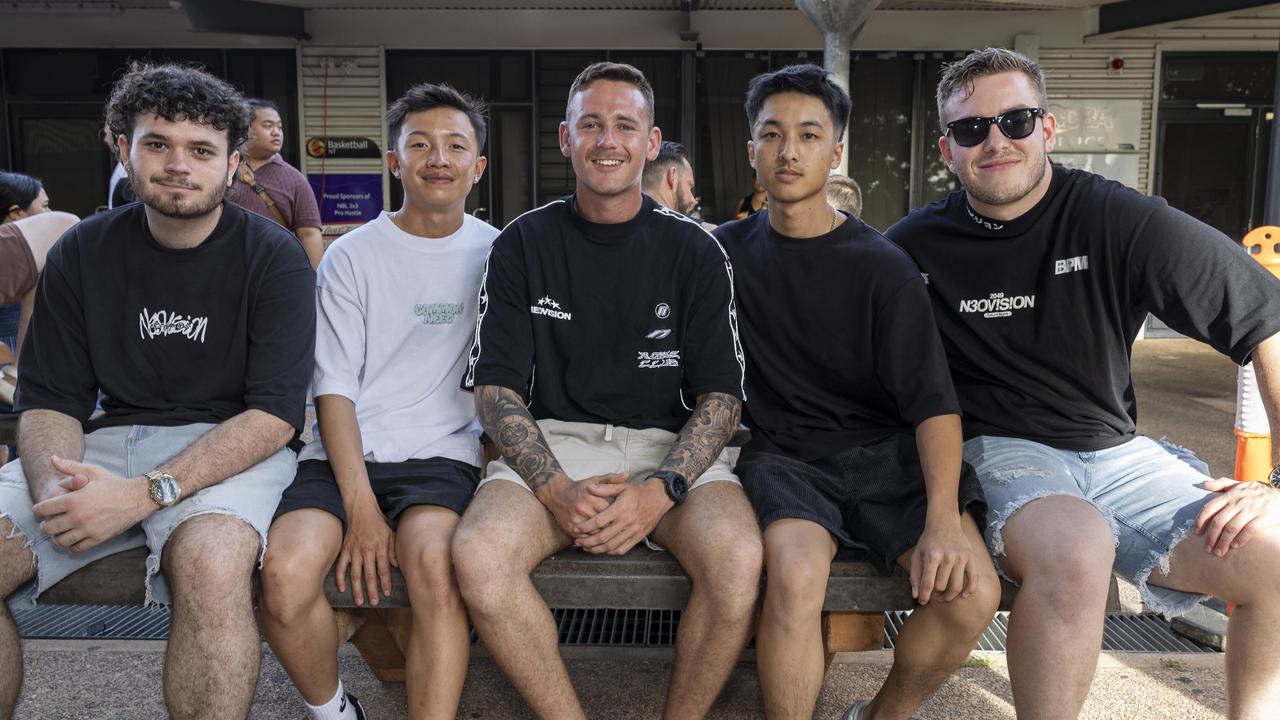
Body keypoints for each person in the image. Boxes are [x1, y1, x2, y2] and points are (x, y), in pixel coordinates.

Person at [887, 46, 1280, 718]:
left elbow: (1264, 319)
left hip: (1118, 454)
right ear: (948, 150)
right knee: (1076, 547)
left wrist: (1273, 484)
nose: (996, 141)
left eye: (1015, 120)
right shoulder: (910, 248)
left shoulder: (1118, 218)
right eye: (971, 129)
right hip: (1000, 450)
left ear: (1048, 128)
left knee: (1272, 556)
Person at [0, 62, 315, 720]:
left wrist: (144, 496)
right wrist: (59, 490)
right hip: (102, 444)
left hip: (229, 450)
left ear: (232, 165)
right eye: (157, 144)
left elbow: (274, 417)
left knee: (211, 567)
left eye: (201, 150)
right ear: (123, 148)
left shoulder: (273, 256)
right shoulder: (83, 251)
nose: (179, 165)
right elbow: (50, 401)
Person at [451, 61, 762, 720]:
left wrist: (662, 490)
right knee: (479, 557)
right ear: (566, 139)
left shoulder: (697, 252)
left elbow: (721, 399)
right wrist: (555, 489)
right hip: (556, 443)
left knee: (737, 560)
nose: (607, 140)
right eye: (590, 124)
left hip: (672, 451)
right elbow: (496, 389)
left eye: (625, 125)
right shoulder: (522, 243)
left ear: (652, 144)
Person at [716, 63, 999, 720]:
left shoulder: (882, 266)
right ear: (751, 148)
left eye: (809, 135)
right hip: (783, 456)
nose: (789, 151)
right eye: (772, 134)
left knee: (972, 591)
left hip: (883, 454)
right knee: (793, 575)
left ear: (835, 151)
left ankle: (881, 716)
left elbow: (932, 404)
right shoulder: (717, 255)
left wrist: (939, 522)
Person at [259, 82, 498, 720]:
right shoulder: (350, 256)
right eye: (419, 144)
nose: (437, 158)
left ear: (477, 167)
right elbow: (332, 387)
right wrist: (361, 507)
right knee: (282, 577)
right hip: (341, 455)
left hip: (441, 457)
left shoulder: (500, 252)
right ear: (395, 162)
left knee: (434, 570)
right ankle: (336, 710)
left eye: (455, 146)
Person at [230, 98, 324, 268]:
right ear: (244, 130)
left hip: (275, 270)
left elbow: (309, 234)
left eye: (279, 127)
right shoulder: (223, 171)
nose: (276, 132)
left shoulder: (295, 179)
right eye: (267, 126)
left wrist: (312, 281)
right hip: (228, 267)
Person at [642, 140, 714, 230]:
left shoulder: (624, 226)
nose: (693, 200)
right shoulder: (690, 237)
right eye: (689, 186)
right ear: (673, 177)